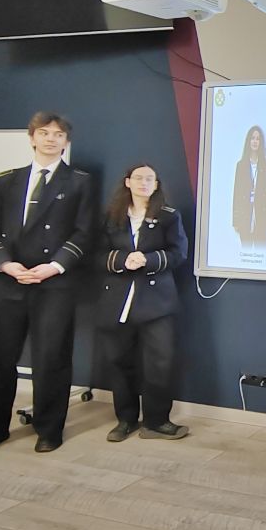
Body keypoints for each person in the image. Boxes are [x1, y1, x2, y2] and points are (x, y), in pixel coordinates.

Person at [0, 111, 94, 456]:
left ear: (66, 142)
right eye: (44, 132)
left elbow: (84, 233)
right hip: (8, 282)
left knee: (52, 359)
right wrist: (5, 264)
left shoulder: (80, 182)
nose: (51, 139)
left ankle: (49, 430)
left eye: (58, 134)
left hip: (53, 284)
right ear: (32, 138)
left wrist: (53, 267)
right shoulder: (6, 180)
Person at [95, 163, 189, 442]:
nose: (144, 182)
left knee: (160, 362)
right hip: (118, 301)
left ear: (156, 185)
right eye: (138, 178)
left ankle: (156, 421)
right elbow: (96, 255)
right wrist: (122, 260)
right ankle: (125, 420)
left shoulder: (169, 216)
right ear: (127, 182)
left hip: (157, 303)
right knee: (119, 361)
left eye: (150, 179)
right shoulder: (110, 216)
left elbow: (178, 253)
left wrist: (148, 260)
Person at [232, 125, 266, 249]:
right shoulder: (241, 165)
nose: (255, 141)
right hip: (245, 215)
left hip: (261, 214)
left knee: (263, 249)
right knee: (246, 250)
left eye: (258, 139)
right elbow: (237, 194)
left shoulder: (265, 164)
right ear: (248, 141)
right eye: (253, 138)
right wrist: (236, 220)